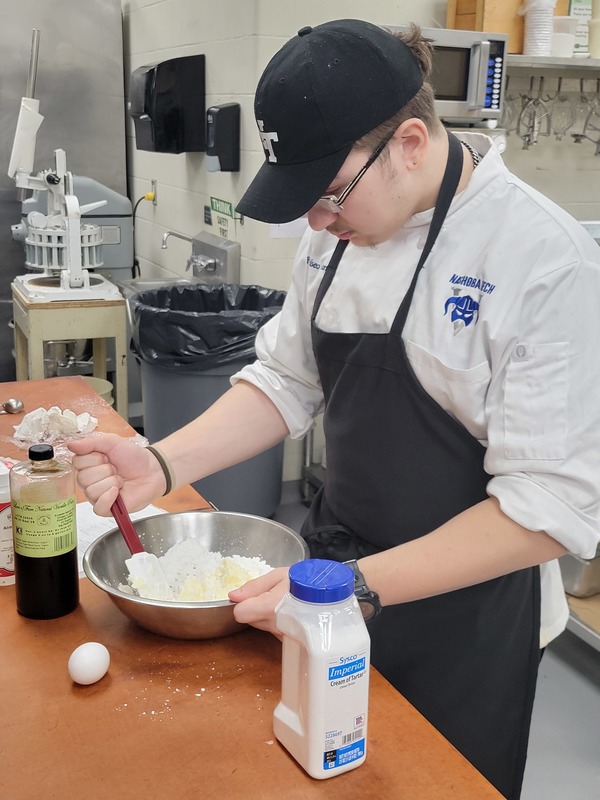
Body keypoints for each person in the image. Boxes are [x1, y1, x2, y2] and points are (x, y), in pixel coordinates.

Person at [69, 19, 600, 800]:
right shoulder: (341, 232)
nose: (316, 221)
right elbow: (287, 380)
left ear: (411, 143)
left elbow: (549, 507)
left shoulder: (544, 260)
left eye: (328, 194)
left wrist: (353, 586)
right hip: (328, 578)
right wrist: (160, 462)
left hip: (462, 621)